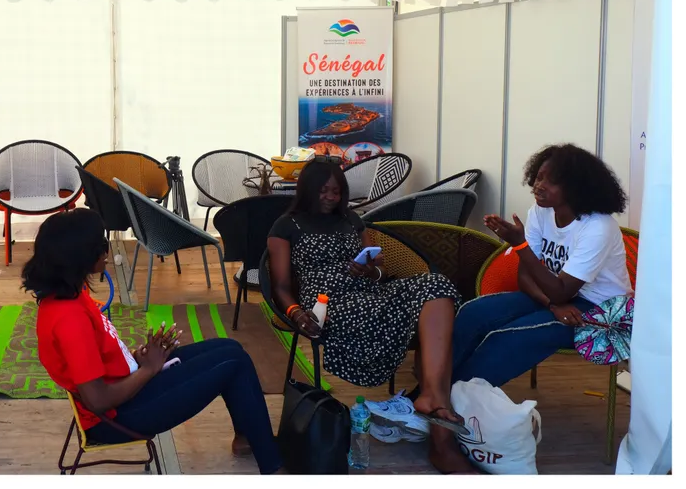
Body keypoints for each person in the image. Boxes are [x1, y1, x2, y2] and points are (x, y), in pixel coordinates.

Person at [23, 208, 283, 475]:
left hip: (124, 392)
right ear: (80, 257)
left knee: (230, 348)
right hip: (115, 419)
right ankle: (273, 467)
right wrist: (149, 369)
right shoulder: (69, 319)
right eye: (101, 245)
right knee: (234, 362)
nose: (107, 251)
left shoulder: (70, 295)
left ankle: (248, 437)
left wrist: (136, 357)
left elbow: (97, 358)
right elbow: (98, 400)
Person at [267, 160, 468, 474]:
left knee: (438, 285)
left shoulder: (351, 219)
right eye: (324, 190)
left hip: (370, 291)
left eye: (337, 191)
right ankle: (435, 420)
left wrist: (370, 270)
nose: (331, 197)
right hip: (327, 302)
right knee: (390, 311)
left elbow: (379, 271)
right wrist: (295, 313)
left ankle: (431, 396)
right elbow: (279, 285)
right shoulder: (285, 225)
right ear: (308, 190)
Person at [452, 143, 632, 387]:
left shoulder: (597, 226)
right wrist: (552, 304)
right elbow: (524, 277)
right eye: (538, 177)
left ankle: (449, 403)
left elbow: (562, 289)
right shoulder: (540, 211)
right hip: (555, 297)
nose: (539, 186)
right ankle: (432, 392)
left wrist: (520, 245)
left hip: (601, 311)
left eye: (551, 181)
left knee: (507, 338)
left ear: (576, 188)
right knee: (471, 313)